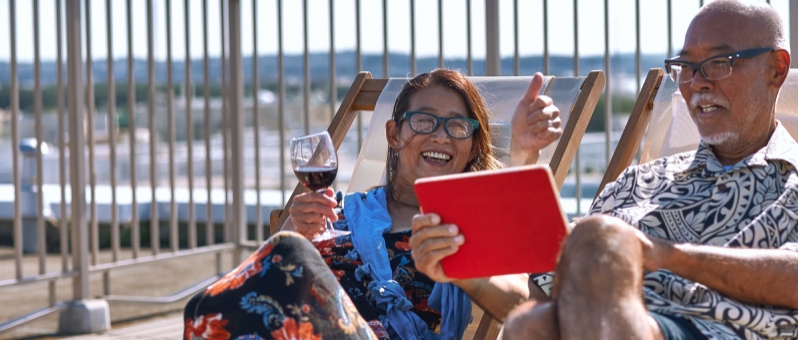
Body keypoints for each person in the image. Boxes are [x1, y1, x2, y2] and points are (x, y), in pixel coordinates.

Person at [409, 1, 798, 339]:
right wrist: (463, 271)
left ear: (776, 69)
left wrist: (661, 254)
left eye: (719, 63)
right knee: (531, 322)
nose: (697, 84)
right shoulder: (638, 183)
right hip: (607, 327)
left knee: (597, 239)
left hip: (727, 333)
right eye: (686, 68)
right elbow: (543, 294)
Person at [183, 68, 564, 340]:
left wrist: (462, 270)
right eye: (424, 121)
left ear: (472, 147)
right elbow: (255, 290)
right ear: (394, 134)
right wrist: (293, 234)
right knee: (207, 309)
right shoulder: (341, 210)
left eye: (457, 126)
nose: (441, 136)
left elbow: (530, 311)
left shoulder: (469, 226)